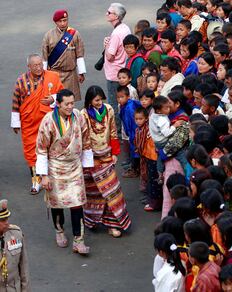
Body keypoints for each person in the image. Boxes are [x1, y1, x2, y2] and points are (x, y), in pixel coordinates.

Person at [36, 89, 93, 255]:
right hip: (56, 167)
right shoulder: (48, 121)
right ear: (58, 104)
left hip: (74, 166)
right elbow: (41, 148)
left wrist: (86, 165)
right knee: (57, 203)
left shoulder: (78, 116)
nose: (70, 107)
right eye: (66, 104)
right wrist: (44, 175)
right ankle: (59, 230)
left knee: (77, 203)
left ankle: (79, 239)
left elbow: (86, 138)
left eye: (72, 103)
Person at [81, 86, 131, 237]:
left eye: (101, 99)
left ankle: (112, 225)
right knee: (93, 193)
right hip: (91, 159)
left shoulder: (108, 109)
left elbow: (113, 131)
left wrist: (115, 152)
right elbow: (84, 138)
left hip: (107, 157)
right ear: (90, 100)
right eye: (96, 100)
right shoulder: (83, 115)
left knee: (112, 192)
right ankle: (92, 220)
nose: (99, 102)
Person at [11, 54, 64, 195]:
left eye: (41, 64)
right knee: (31, 151)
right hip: (29, 122)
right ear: (29, 67)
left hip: (48, 121)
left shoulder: (52, 77)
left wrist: (52, 99)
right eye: (35, 65)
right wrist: (16, 123)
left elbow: (63, 95)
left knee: (50, 147)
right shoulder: (21, 81)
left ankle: (51, 175)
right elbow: (16, 102)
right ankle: (36, 180)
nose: (39, 67)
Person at [42, 9, 86, 101]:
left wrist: (81, 72)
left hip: (71, 74)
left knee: (70, 102)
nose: (63, 23)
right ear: (55, 22)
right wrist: (43, 75)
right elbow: (45, 57)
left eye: (65, 20)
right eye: (60, 21)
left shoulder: (75, 34)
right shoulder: (48, 36)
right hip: (54, 74)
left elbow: (79, 54)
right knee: (55, 102)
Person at [103, 3, 131, 134]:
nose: (107, 14)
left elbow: (109, 56)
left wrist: (107, 45)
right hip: (122, 70)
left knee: (114, 104)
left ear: (116, 16)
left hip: (113, 73)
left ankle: (117, 131)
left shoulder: (115, 34)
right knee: (122, 102)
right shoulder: (125, 28)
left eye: (109, 12)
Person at [0, 200, 30, 291]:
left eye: (7, 219)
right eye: (2, 220)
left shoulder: (16, 234)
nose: (7, 223)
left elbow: (24, 266)